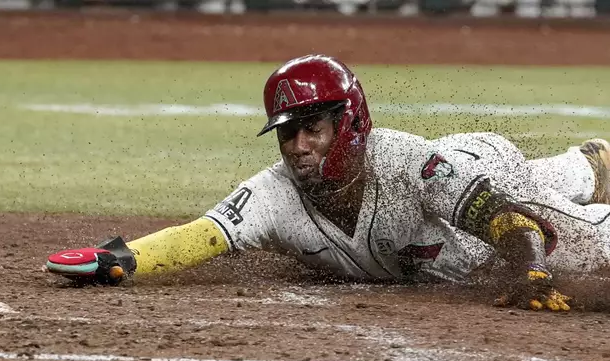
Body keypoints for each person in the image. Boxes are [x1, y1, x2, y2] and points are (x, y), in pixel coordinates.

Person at [45, 54, 610, 312]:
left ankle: (586, 171)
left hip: (474, 164)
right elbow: (201, 235)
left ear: (351, 122)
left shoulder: (411, 162)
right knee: (549, 180)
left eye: (310, 129)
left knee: (579, 237)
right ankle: (591, 163)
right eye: (286, 134)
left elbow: (506, 219)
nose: (298, 147)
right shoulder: (275, 193)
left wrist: (531, 269)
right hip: (464, 175)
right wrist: (119, 257)